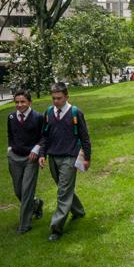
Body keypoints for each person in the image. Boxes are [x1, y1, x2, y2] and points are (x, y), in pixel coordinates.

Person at [38, 81, 91, 242]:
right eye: (53, 98)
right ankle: (78, 211)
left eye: (59, 98)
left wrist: (87, 158)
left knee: (62, 192)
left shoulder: (75, 113)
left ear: (67, 97)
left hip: (70, 157)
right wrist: (42, 154)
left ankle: (56, 228)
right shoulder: (48, 113)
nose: (56, 101)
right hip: (53, 157)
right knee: (64, 189)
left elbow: (85, 137)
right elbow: (44, 136)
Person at [7, 90, 44, 234]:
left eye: (22, 102)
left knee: (27, 190)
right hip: (14, 157)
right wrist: (10, 149)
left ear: (29, 102)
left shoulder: (38, 117)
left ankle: (24, 224)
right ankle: (36, 203)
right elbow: (10, 134)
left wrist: (36, 149)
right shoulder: (10, 117)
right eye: (16, 102)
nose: (19, 105)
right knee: (18, 191)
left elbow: (43, 137)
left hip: (31, 158)